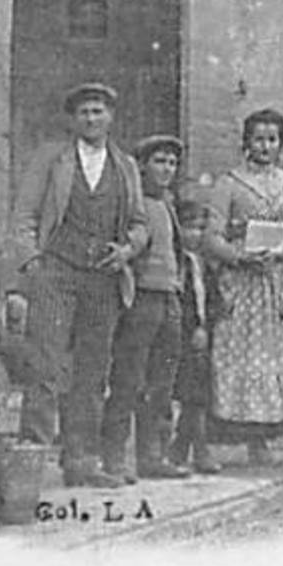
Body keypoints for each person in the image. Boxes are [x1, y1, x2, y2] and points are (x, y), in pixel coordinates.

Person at [11, 81, 149, 488]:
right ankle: (30, 463)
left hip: (103, 280)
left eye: (99, 111)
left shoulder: (124, 166)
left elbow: (140, 224)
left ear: (111, 117)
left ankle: (81, 461)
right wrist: (33, 262)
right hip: (56, 273)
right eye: (85, 112)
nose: (92, 118)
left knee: (92, 373)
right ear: (73, 119)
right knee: (45, 366)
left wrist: (126, 251)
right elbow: (24, 217)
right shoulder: (52, 160)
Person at [201, 108, 283, 464]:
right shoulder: (229, 184)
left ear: (281, 145)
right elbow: (210, 238)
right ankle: (243, 437)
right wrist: (239, 256)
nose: (265, 146)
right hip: (241, 285)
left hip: (279, 286)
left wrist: (281, 250)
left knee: (276, 358)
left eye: (272, 139)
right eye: (258, 139)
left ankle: (270, 437)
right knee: (243, 356)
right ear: (246, 143)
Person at [100, 135, 192, 482]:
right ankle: (114, 457)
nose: (166, 169)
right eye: (159, 161)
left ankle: (153, 454)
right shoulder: (132, 205)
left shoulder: (168, 205)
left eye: (171, 163)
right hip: (140, 300)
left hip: (169, 298)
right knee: (129, 379)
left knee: (162, 382)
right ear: (142, 166)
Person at [169, 200, 221, 474]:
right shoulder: (178, 264)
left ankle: (188, 448)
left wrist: (210, 323)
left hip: (201, 337)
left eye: (201, 229)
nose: (196, 235)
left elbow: (211, 299)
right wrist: (195, 329)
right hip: (182, 335)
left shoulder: (204, 264)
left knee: (197, 395)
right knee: (187, 394)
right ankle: (189, 448)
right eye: (189, 228)